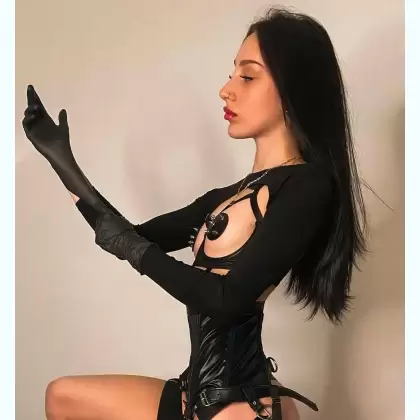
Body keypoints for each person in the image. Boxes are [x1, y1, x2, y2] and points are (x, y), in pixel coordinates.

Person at [22, 7, 369, 420]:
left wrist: (134, 249)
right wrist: (63, 163)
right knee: (62, 397)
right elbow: (126, 236)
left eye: (248, 76)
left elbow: (226, 300)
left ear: (294, 88)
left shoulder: (307, 187)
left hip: (242, 404)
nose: (226, 90)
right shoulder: (228, 197)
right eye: (231, 74)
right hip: (195, 393)